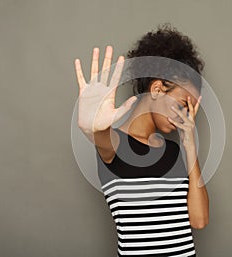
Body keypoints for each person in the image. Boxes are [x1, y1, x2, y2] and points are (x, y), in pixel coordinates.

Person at [74, 23, 209, 257]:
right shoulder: (115, 145)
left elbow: (199, 221)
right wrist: (91, 127)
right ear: (157, 89)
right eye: (181, 104)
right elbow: (99, 136)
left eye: (189, 110)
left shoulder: (175, 152)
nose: (185, 116)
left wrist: (189, 144)